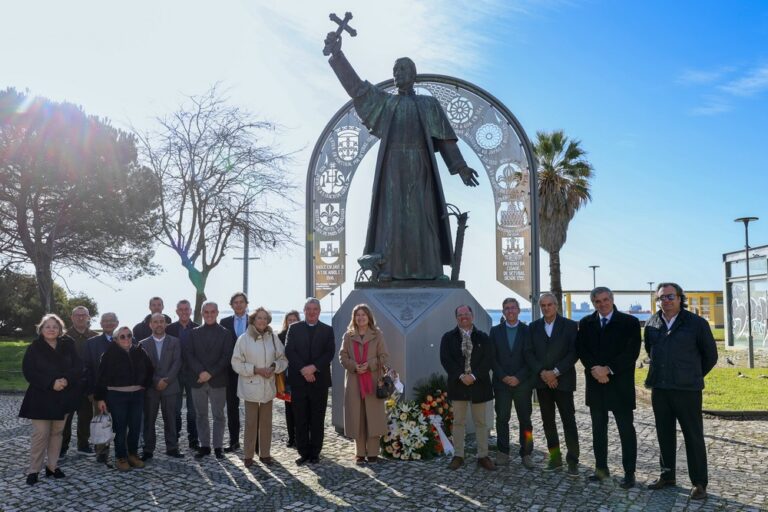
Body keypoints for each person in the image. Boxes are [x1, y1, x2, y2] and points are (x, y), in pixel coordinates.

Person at [324, 32, 479, 281]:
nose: (397, 74)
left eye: (403, 69)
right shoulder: (386, 103)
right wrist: (338, 57)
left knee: (423, 219)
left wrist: (460, 167)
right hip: (392, 170)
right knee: (393, 220)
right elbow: (358, 90)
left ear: (413, 75)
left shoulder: (429, 105)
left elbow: (445, 139)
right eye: (395, 70)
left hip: (420, 168)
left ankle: (429, 271)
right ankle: (389, 270)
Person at [644, 282, 718, 500]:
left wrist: (693, 374)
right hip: (660, 388)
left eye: (669, 297)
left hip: (687, 390)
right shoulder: (652, 323)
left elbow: (710, 356)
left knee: (693, 436)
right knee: (664, 434)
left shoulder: (696, 324)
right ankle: (667, 476)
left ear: (679, 298)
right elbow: (650, 350)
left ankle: (699, 483)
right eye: (661, 298)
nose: (665, 301)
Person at [576, 287, 641, 489]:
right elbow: (582, 349)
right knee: (598, 430)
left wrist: (608, 369)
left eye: (605, 300)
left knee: (625, 431)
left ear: (612, 300)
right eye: (597, 301)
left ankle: (629, 473)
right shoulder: (586, 323)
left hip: (620, 384)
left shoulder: (629, 322)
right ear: (593, 303)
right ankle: (601, 469)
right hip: (596, 384)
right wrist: (596, 370)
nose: (602, 304)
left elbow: (632, 352)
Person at [19, 314, 82, 485]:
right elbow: (29, 371)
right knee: (41, 434)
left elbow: (78, 367)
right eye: (48, 326)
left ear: (60, 329)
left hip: (64, 394)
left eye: (55, 326)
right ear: (41, 329)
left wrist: (66, 380)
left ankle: (52, 467)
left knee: (57, 433)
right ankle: (34, 470)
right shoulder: (35, 347)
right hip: (41, 396)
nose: (51, 329)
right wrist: (50, 383)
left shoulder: (68, 344)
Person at [525, 292, 580, 475]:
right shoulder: (533, 327)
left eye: (550, 305)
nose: (546, 308)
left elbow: (573, 353)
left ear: (557, 305)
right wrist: (543, 373)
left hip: (563, 381)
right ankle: (555, 458)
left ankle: (573, 460)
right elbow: (529, 353)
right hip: (542, 383)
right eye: (543, 305)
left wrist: (555, 373)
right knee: (548, 421)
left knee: (568, 421)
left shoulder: (571, 326)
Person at [440, 305, 495, 471]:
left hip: (479, 385)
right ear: (456, 317)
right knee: (458, 422)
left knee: (481, 423)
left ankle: (483, 456)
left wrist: (474, 376)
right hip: (458, 385)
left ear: (472, 315)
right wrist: (461, 376)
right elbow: (446, 360)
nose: (464, 317)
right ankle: (458, 455)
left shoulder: (483, 337)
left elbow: (489, 359)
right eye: (460, 314)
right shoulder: (448, 337)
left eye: (466, 313)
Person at [231, 307, 288, 468]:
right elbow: (235, 363)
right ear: (253, 320)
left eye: (265, 318)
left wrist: (274, 367)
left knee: (266, 423)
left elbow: (283, 359)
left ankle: (265, 454)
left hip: (267, 387)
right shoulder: (243, 339)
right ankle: (248, 455)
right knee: (250, 423)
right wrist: (255, 370)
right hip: (250, 387)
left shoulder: (273, 338)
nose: (262, 321)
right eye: (259, 318)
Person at [284, 298, 335, 465]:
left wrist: (313, 368)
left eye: (315, 309)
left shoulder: (327, 330)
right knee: (300, 419)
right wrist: (304, 370)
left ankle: (315, 453)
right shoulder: (294, 328)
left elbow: (329, 353)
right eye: (308, 309)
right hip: (299, 381)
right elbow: (289, 351)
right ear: (304, 310)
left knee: (317, 419)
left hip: (319, 382)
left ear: (319, 311)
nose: (312, 312)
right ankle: (303, 452)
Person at [95, 326, 153, 472]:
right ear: (115, 339)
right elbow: (101, 378)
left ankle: (132, 454)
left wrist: (144, 385)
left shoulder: (139, 351)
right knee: (120, 428)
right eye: (122, 336)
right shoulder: (108, 354)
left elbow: (149, 369)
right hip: (117, 396)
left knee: (135, 427)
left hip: (136, 395)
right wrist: (100, 398)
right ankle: (121, 457)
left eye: (129, 335)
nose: (126, 339)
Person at [339, 304, 390, 464]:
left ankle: (373, 452)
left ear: (369, 317)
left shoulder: (377, 334)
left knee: (372, 416)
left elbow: (384, 356)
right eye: (357, 315)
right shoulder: (348, 336)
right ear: (354, 318)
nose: (360, 318)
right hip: (354, 380)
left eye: (363, 315)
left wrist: (370, 364)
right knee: (357, 416)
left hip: (373, 380)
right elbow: (342, 356)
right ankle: (360, 452)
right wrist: (354, 366)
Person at [489, 298, 534, 469]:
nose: (510, 311)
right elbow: (492, 358)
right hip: (502, 384)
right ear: (503, 312)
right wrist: (504, 377)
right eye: (506, 308)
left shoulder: (527, 330)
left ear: (519, 310)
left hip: (523, 384)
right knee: (502, 419)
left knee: (526, 420)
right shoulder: (495, 331)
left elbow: (530, 357)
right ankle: (503, 452)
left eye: (513, 308)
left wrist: (518, 377)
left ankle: (527, 453)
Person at [186, 301, 231, 459]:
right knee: (201, 415)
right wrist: (201, 372)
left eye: (212, 311)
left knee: (219, 415)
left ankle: (218, 447)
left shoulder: (226, 333)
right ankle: (204, 446)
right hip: (197, 380)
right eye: (206, 312)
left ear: (217, 313)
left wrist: (210, 373)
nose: (209, 314)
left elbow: (226, 357)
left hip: (218, 380)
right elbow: (189, 355)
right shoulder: (193, 333)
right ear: (202, 313)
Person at [141, 313, 183, 461]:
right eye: (155, 322)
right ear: (150, 325)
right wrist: (156, 381)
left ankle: (172, 447)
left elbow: (177, 363)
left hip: (170, 387)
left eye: (161, 322)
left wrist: (166, 380)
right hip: (151, 388)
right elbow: (143, 368)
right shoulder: (143, 344)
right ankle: (148, 449)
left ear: (165, 324)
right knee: (149, 420)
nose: (159, 324)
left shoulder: (175, 342)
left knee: (171, 418)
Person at [84, 312, 119, 465]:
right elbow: (87, 369)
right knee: (101, 422)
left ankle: (121, 450)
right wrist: (92, 392)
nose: (109, 323)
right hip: (100, 392)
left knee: (121, 422)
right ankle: (102, 452)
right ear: (101, 323)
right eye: (105, 321)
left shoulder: (126, 339)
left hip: (121, 392)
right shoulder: (91, 343)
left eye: (112, 321)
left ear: (117, 323)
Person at [61, 305, 97, 457]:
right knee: (65, 419)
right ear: (72, 317)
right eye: (77, 315)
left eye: (84, 315)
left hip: (87, 384)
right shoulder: (63, 336)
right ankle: (62, 447)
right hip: (68, 385)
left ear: (88, 317)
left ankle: (83, 445)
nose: (81, 317)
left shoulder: (95, 337)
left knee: (86, 417)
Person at [166, 299, 200, 450]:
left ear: (191, 311)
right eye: (181, 309)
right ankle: (176, 437)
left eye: (187, 309)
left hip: (194, 376)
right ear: (177, 311)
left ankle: (194, 439)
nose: (184, 312)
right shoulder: (170, 329)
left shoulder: (198, 328)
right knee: (175, 410)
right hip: (175, 375)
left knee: (194, 411)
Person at [219, 292, 249, 453]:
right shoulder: (224, 322)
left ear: (246, 304)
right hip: (230, 372)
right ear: (231, 305)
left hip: (251, 371)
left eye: (241, 302)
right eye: (235, 302)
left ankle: (254, 443)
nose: (238, 305)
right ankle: (234, 441)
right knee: (232, 407)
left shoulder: (254, 321)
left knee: (253, 406)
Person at [277, 310, 301, 449]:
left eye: (294, 319)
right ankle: (291, 437)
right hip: (286, 377)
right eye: (289, 319)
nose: (292, 322)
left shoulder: (302, 333)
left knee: (301, 408)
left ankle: (300, 437)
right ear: (285, 321)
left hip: (300, 376)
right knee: (289, 408)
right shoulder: (280, 336)